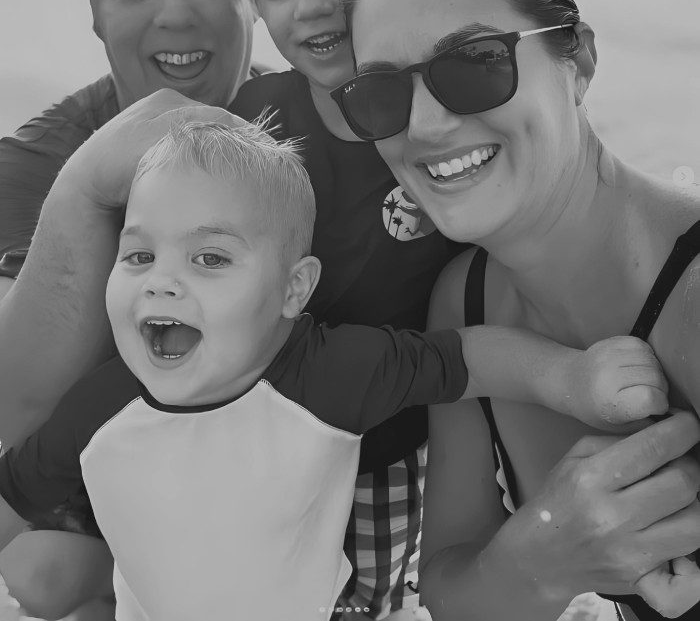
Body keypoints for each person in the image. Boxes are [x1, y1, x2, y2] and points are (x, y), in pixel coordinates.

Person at [0, 113, 676, 621]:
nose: (160, 283)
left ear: (294, 290)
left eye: (209, 258)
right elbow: (16, 490)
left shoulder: (324, 373)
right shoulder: (101, 405)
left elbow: (465, 358)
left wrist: (572, 377)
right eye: (138, 256)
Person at [335, 0, 700, 619]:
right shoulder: (465, 299)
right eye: (382, 92)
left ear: (579, 61)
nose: (427, 124)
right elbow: (448, 586)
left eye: (474, 62)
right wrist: (542, 554)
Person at [0, 0, 260, 620]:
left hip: (277, 492)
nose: (176, 14)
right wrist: (86, 191)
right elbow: (11, 402)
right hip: (97, 499)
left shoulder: (313, 129)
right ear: (94, 5)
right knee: (48, 571)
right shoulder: (36, 161)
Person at [231, 0, 457, 617]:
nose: (314, 4)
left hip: (394, 437)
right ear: (254, 4)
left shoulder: (445, 114)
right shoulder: (252, 119)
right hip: (268, 426)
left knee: (371, 593)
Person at [0, 0, 262, 300]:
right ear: (96, 8)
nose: (175, 14)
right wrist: (80, 196)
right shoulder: (31, 171)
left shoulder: (329, 119)